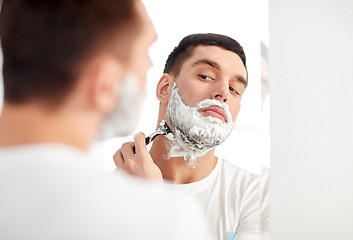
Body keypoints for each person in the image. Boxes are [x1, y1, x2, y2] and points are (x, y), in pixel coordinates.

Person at [0, 1, 209, 239]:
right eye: (145, 51)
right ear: (105, 84)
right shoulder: (162, 219)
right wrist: (152, 201)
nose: (151, 65)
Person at [114, 33, 270, 240]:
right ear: (165, 88)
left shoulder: (258, 195)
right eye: (206, 76)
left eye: (234, 89)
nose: (223, 92)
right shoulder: (100, 195)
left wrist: (155, 201)